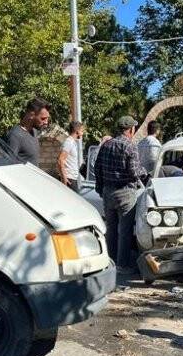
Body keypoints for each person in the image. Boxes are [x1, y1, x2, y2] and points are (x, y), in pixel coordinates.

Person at [94, 115, 147, 275]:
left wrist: (100, 188)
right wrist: (145, 173)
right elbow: (134, 172)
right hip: (125, 192)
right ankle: (122, 265)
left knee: (111, 229)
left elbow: (97, 168)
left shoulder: (106, 145)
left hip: (108, 191)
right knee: (125, 231)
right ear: (131, 129)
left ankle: (110, 262)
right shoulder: (130, 146)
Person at [6, 98, 51, 165]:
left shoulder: (34, 131)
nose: (46, 122)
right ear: (31, 115)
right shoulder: (15, 136)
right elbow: (9, 165)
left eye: (47, 118)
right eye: (43, 118)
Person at [58, 120, 84, 191]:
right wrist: (64, 178)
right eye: (82, 131)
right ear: (77, 131)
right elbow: (60, 160)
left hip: (72, 178)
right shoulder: (68, 142)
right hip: (69, 179)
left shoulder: (72, 142)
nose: (82, 133)